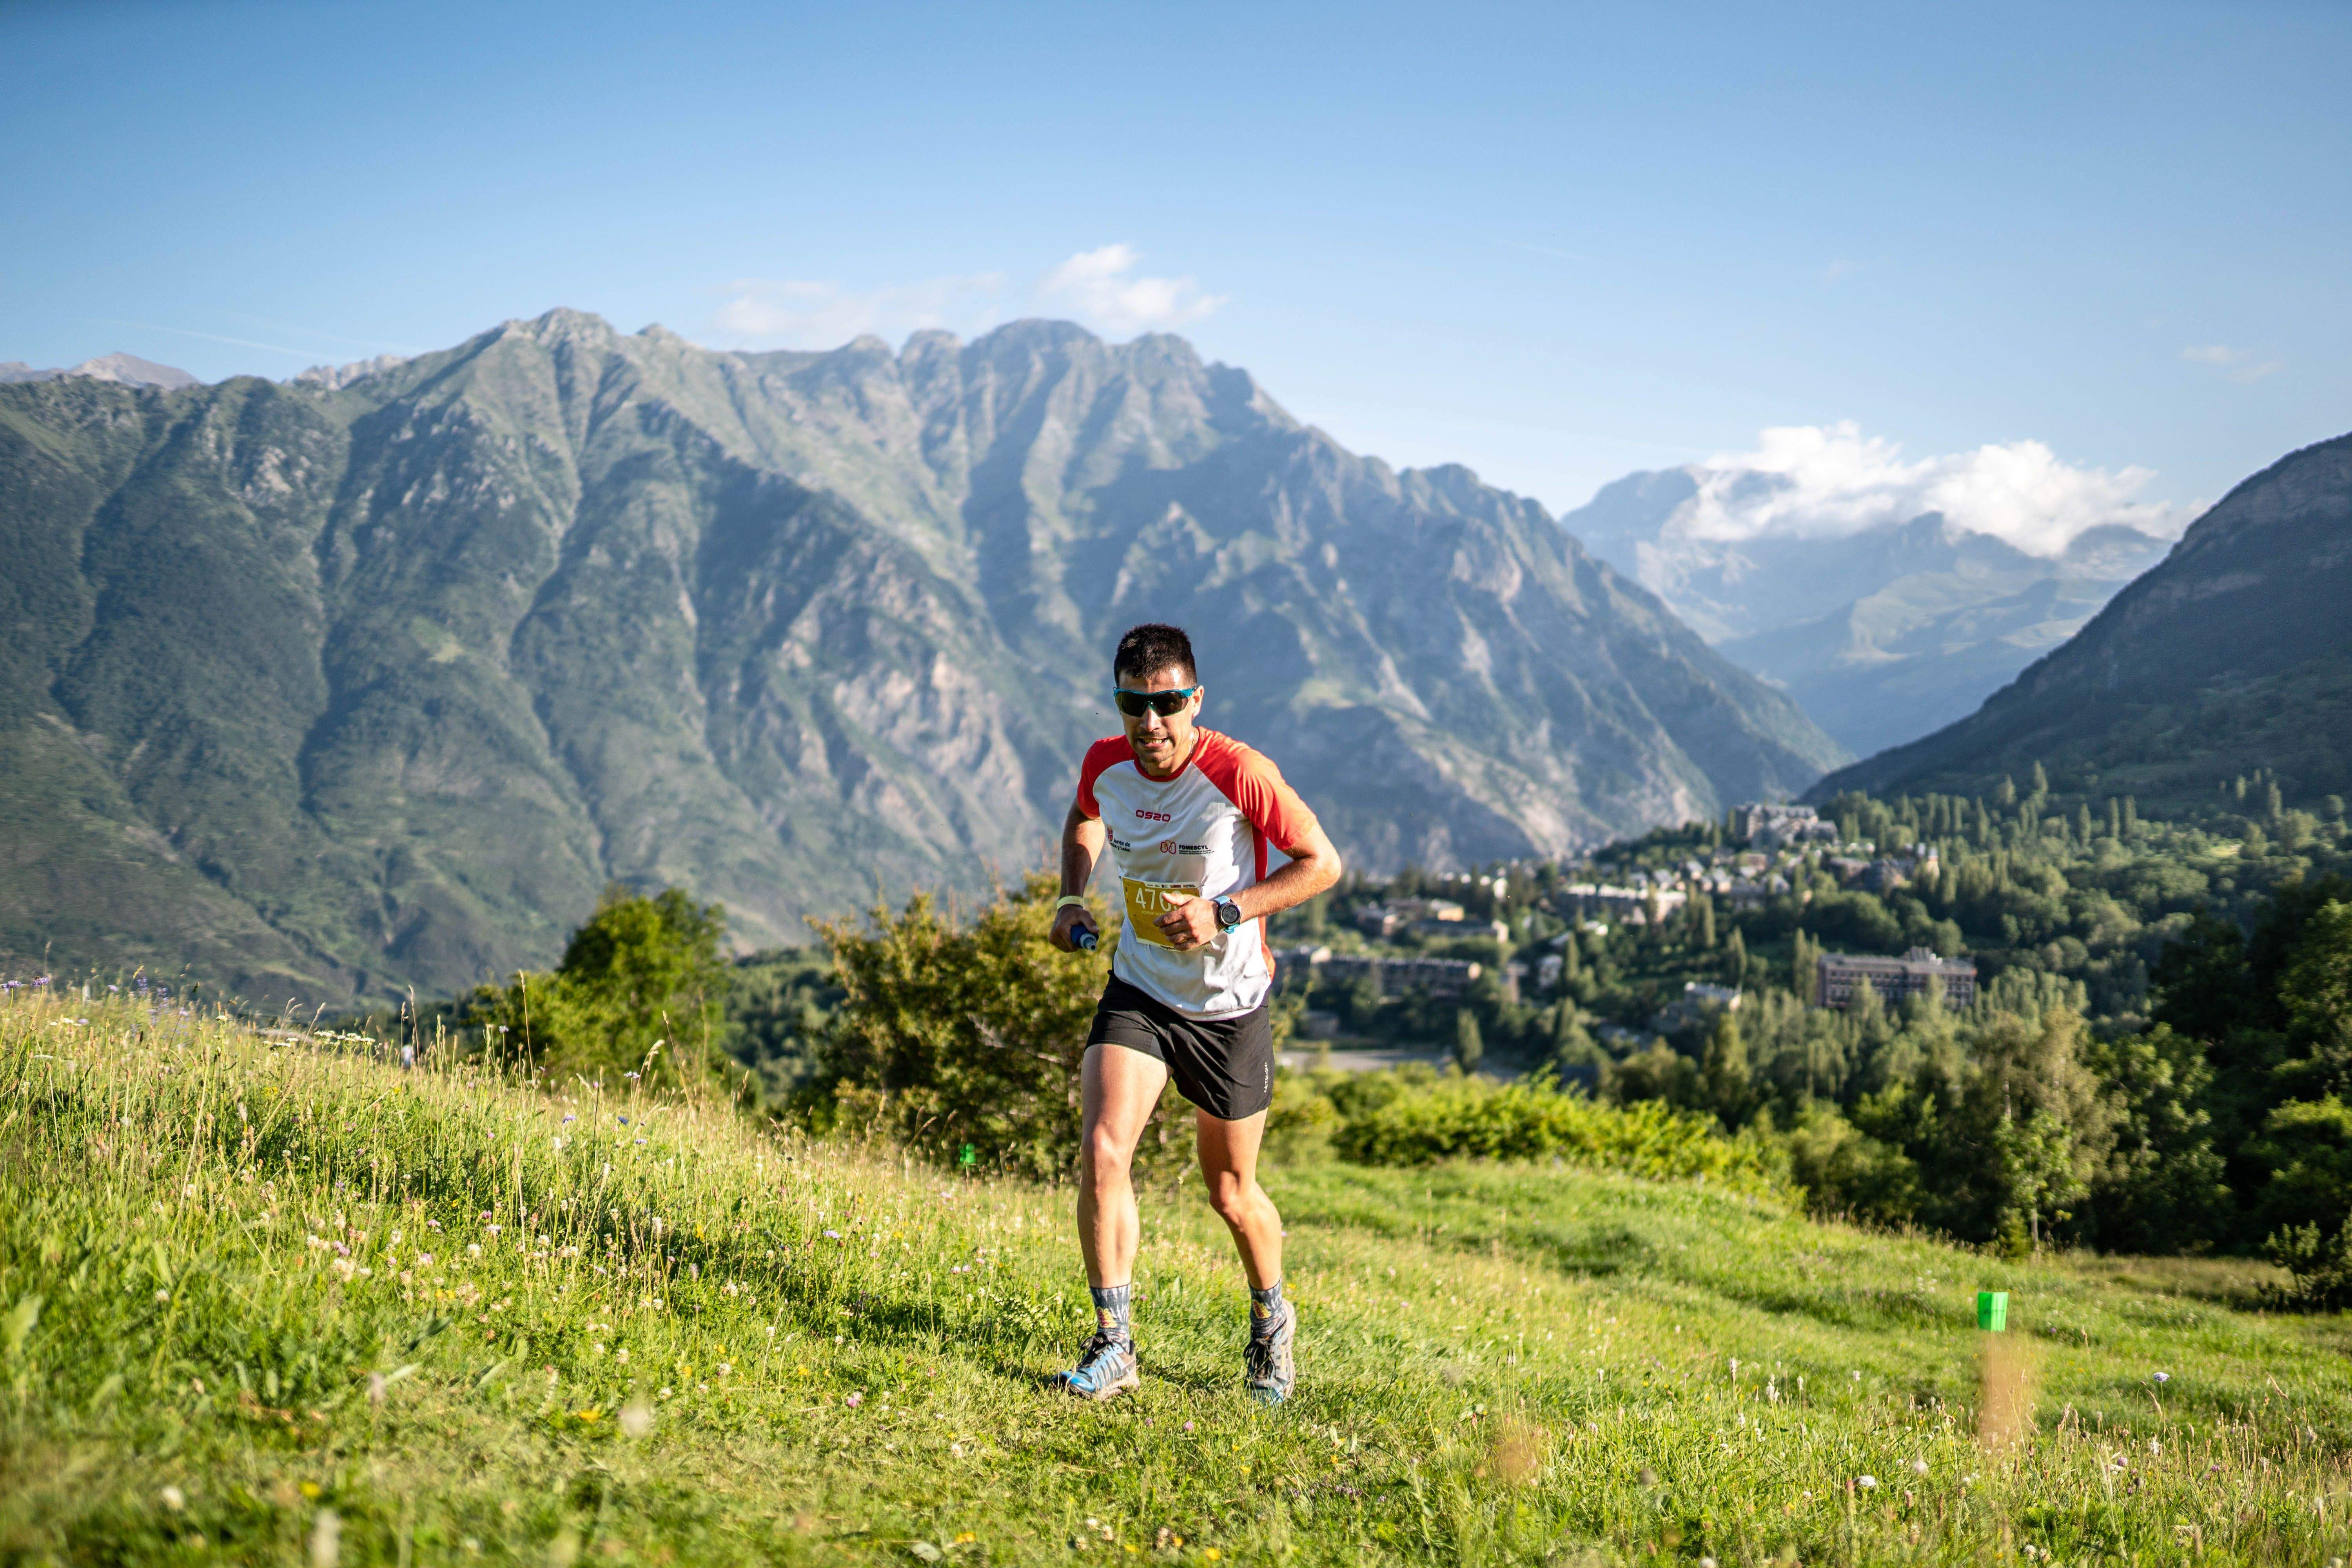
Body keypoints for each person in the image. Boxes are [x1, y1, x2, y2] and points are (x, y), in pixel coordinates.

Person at [1048, 622, 1343, 1403]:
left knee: (1231, 1194)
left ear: (1196, 700)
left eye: (1169, 703)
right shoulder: (1105, 763)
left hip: (1228, 1008)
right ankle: (1114, 1345)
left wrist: (1227, 910)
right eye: (1133, 705)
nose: (1151, 722)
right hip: (1142, 990)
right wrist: (1071, 896)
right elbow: (1084, 815)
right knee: (1104, 1150)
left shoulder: (1240, 772)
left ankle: (1272, 1325)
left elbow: (1323, 865)